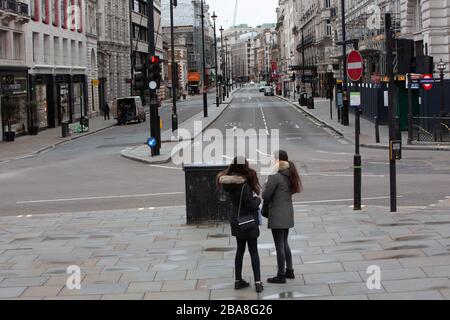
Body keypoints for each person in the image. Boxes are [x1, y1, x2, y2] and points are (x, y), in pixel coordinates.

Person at [217, 157, 264, 293]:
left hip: (236, 219)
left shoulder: (228, 183)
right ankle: (258, 282)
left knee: (240, 251)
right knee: (253, 251)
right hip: (247, 220)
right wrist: (257, 200)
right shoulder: (243, 185)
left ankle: (238, 280)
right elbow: (251, 204)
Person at [262, 150, 303, 284]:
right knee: (284, 242)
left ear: (277, 160)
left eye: (274, 158)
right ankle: (289, 270)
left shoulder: (275, 176)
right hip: (287, 213)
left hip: (278, 214)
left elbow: (266, 196)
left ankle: (281, 275)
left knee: (279, 245)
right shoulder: (289, 174)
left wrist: (265, 185)